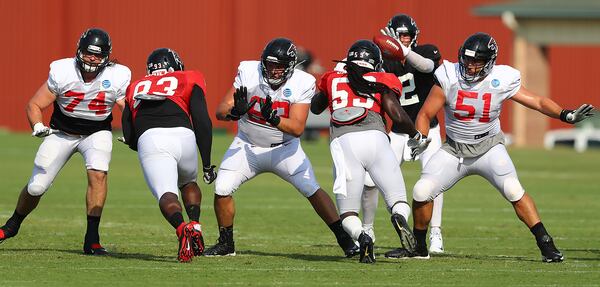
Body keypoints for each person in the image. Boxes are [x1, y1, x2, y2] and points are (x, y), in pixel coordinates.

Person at [409, 32, 594, 262]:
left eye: (476, 61)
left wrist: (564, 114)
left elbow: (537, 101)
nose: (469, 66)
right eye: (466, 60)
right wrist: (421, 137)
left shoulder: (502, 78)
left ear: (489, 62)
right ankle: (418, 248)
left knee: (513, 189)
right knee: (421, 191)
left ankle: (546, 244)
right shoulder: (449, 75)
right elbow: (425, 113)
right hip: (455, 150)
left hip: (489, 148)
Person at [205, 37, 358, 257]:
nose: (274, 70)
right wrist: (234, 113)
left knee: (311, 189)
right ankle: (226, 243)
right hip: (247, 146)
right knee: (222, 189)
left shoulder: (302, 81)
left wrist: (273, 119)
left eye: (279, 66)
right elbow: (221, 109)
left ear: (291, 67)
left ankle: (345, 240)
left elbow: (296, 128)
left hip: (284, 149)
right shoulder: (249, 71)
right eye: (270, 65)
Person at [0, 28, 131, 255]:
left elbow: (128, 109)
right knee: (37, 186)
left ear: (107, 57)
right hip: (62, 132)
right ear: (79, 51)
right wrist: (38, 126)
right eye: (88, 53)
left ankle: (92, 239)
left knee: (98, 173)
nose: (92, 59)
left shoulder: (118, 75)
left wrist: (134, 130)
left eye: (98, 55)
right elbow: (34, 105)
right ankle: (12, 226)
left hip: (96, 132)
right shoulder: (63, 71)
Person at [311, 40, 429, 263]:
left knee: (347, 214)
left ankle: (363, 236)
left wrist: (332, 81)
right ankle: (398, 218)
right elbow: (396, 115)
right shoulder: (382, 79)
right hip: (377, 139)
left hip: (344, 143)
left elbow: (316, 108)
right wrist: (415, 135)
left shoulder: (332, 78)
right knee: (398, 200)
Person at [356, 14, 446, 258]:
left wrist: (402, 51)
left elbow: (427, 66)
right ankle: (367, 229)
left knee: (433, 184)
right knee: (370, 181)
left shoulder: (427, 51)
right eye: (399, 36)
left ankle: (435, 232)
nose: (404, 39)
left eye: (407, 36)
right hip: (398, 132)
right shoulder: (384, 60)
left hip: (429, 129)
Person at [121, 48, 216, 263]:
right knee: (188, 182)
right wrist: (208, 164)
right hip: (185, 136)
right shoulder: (190, 76)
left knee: (167, 193)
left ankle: (182, 229)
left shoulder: (135, 86)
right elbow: (202, 121)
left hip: (152, 138)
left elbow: (128, 133)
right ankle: (195, 224)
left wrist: (140, 146)